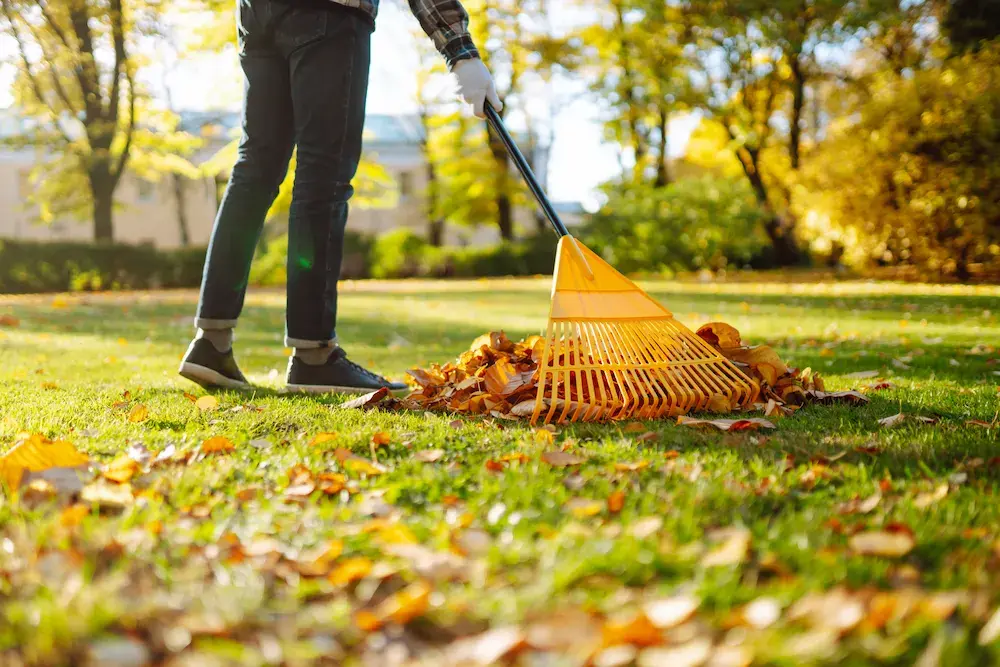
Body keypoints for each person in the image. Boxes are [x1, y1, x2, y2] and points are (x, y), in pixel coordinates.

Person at [179, 0, 501, 394]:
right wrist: (460, 50)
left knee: (254, 170)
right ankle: (314, 356)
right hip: (329, 13)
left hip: (256, 14)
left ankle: (210, 342)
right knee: (322, 174)